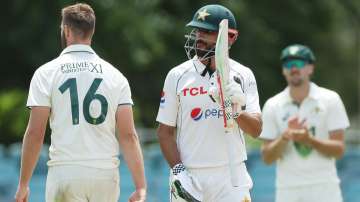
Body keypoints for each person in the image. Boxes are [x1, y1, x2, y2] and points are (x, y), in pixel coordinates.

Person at [14, 3, 146, 202]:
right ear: (91, 32)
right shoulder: (116, 76)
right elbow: (128, 136)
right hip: (105, 176)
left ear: (66, 30)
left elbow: (35, 133)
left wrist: (23, 184)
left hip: (65, 172)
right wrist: (140, 186)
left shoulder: (46, 73)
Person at [156, 4, 262, 202]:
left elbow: (256, 129)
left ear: (230, 37)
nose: (199, 37)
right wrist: (178, 171)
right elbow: (164, 132)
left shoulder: (242, 75)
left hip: (232, 175)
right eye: (197, 31)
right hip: (191, 175)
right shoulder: (177, 75)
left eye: (207, 32)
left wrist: (235, 109)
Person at [260, 44, 350, 202]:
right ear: (283, 70)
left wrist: (309, 140)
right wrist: (285, 137)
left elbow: (339, 150)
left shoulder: (330, 99)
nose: (293, 68)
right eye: (288, 64)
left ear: (310, 68)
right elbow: (267, 158)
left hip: (325, 189)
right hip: (288, 190)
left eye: (299, 63)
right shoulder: (272, 105)